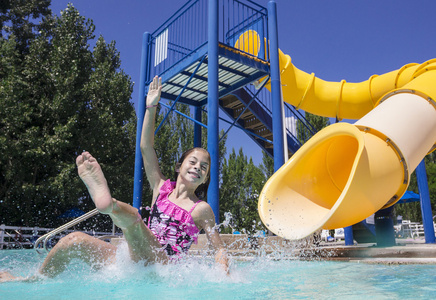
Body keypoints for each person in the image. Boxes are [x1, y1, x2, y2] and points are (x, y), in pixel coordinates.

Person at [0, 76, 229, 282]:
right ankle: (32, 280)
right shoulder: (161, 187)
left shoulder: (200, 209)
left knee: (135, 221)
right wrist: (151, 106)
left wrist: (223, 274)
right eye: (193, 162)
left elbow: (218, 248)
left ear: (205, 178)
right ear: (179, 166)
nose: (197, 167)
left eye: (204, 167)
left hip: (164, 267)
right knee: (74, 241)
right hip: (135, 257)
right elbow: (146, 147)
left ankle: (108, 204)